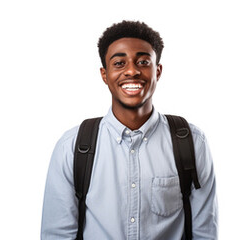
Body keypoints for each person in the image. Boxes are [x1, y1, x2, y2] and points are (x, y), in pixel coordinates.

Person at [41, 20, 218, 239]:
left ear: (158, 71)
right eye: (119, 63)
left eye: (143, 61)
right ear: (104, 74)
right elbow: (57, 234)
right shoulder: (72, 146)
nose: (132, 71)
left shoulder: (191, 143)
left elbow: (205, 232)